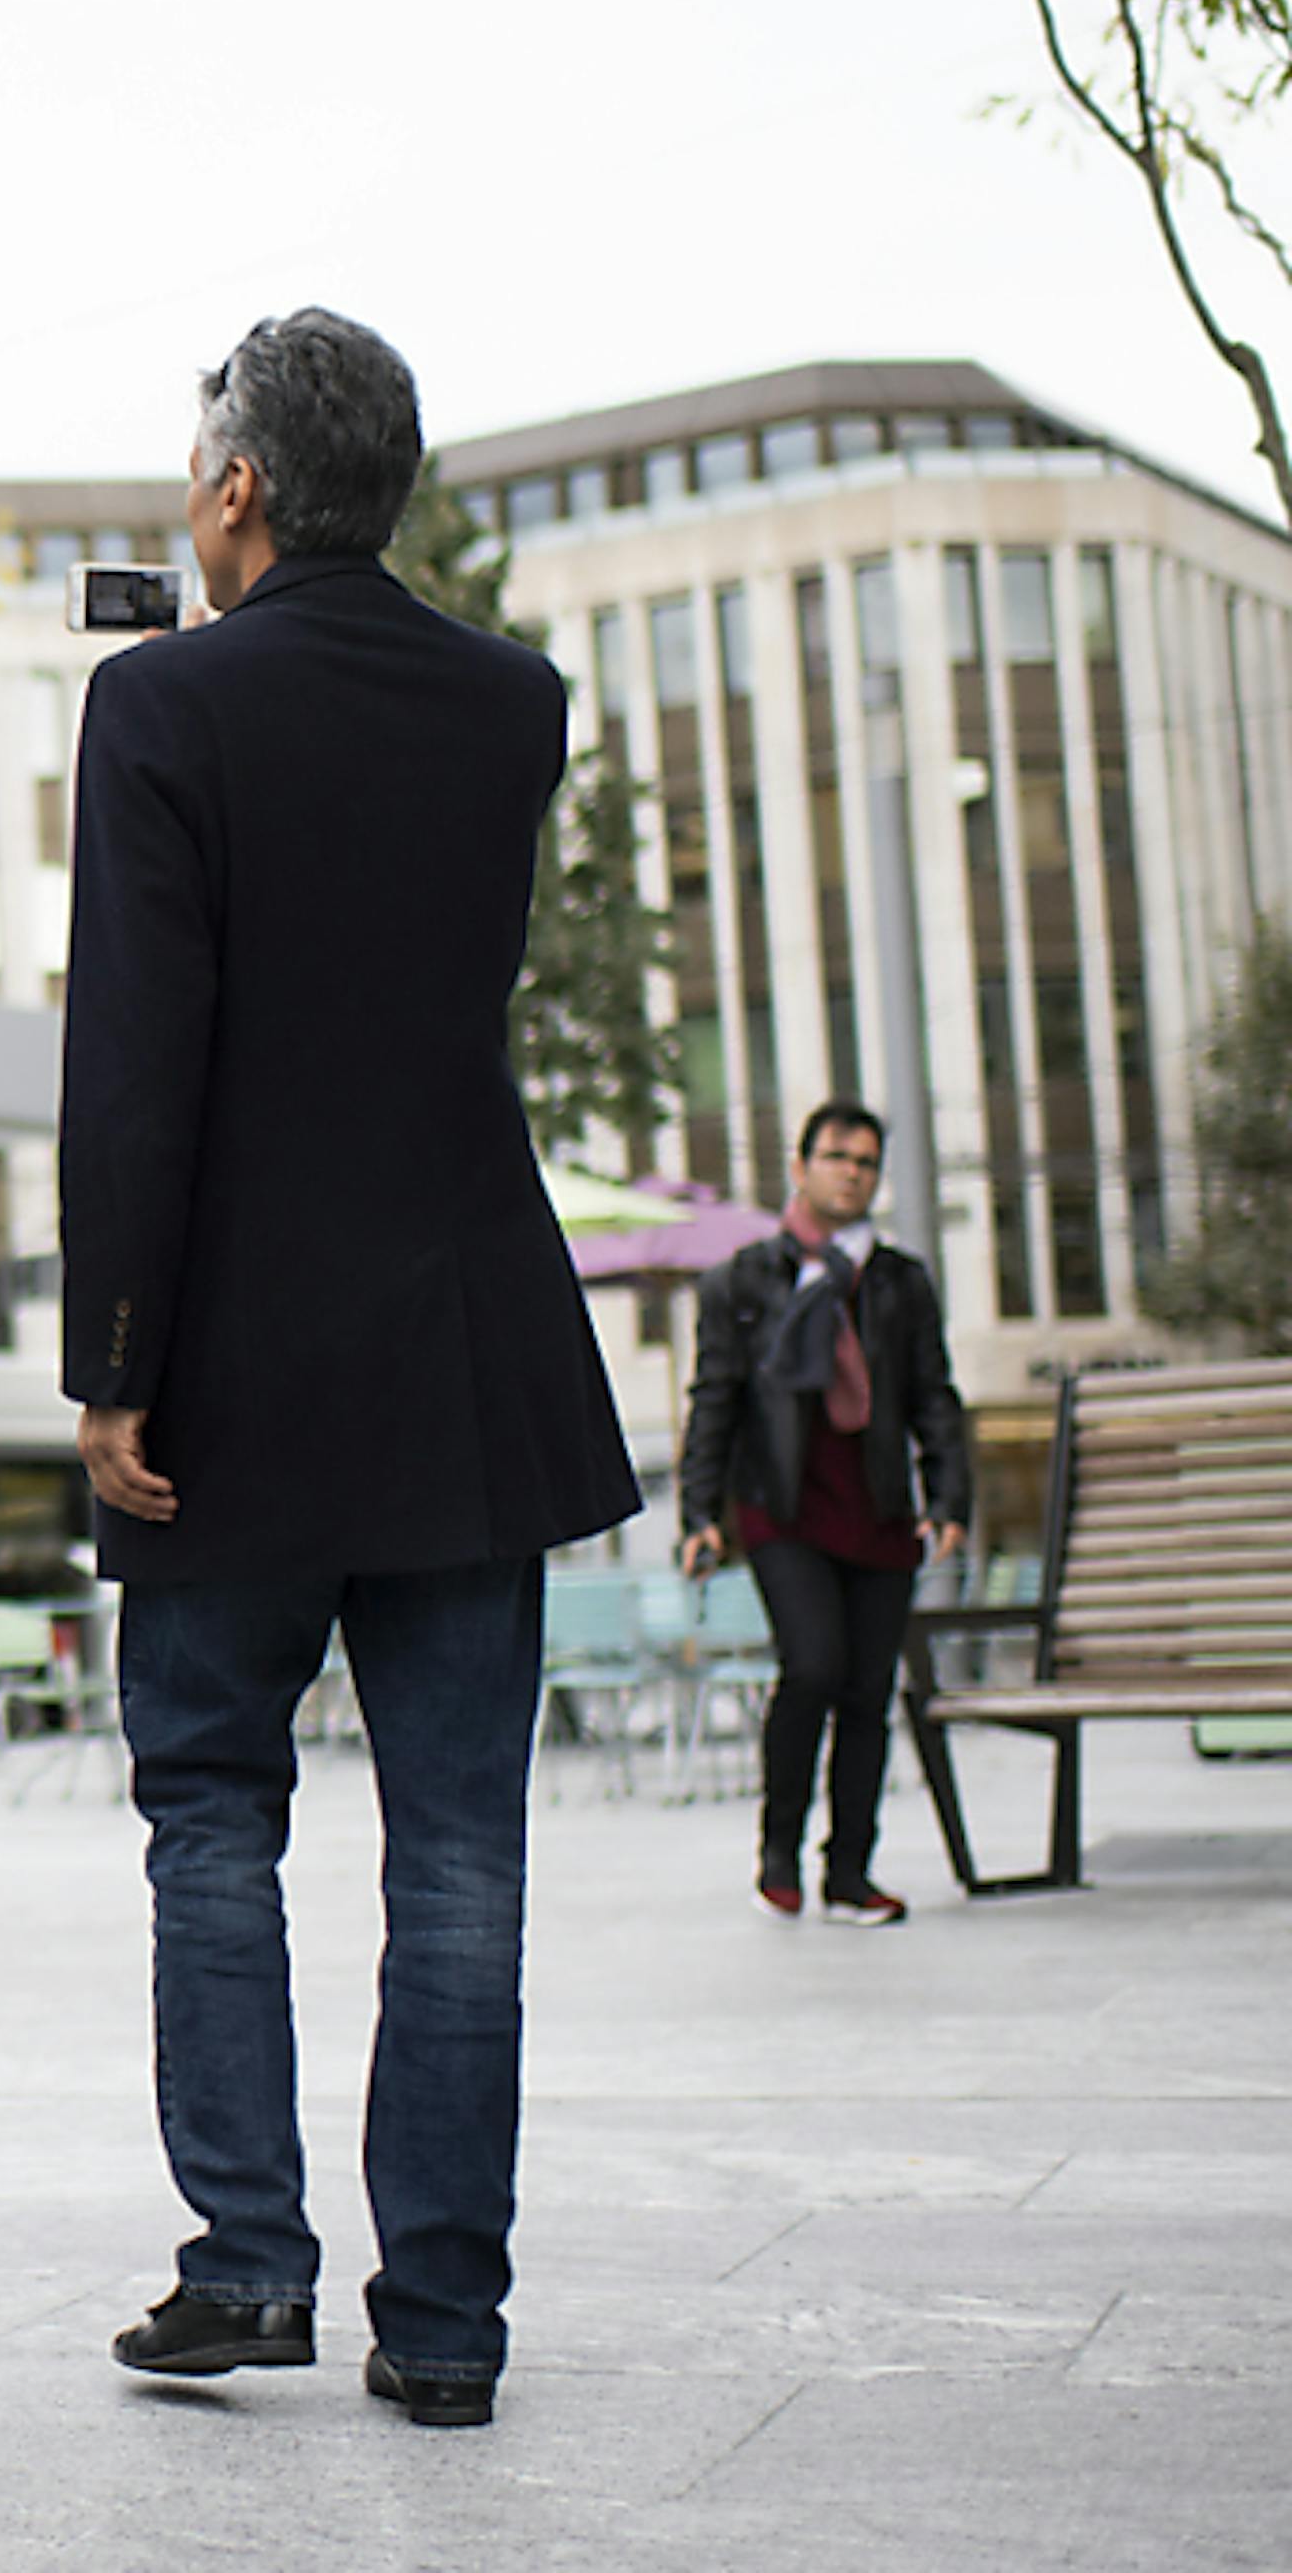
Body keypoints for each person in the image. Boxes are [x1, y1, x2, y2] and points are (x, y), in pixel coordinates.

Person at [63, 311, 639, 2431]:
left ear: (235, 489)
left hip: (233, 1361)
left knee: (212, 1813)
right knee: (463, 1851)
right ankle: (451, 2327)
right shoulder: (514, 706)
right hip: (469, 1348)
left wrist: (111, 1362)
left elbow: (136, 1062)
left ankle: (249, 2266)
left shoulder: (160, 709)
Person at [676, 1102, 970, 1927]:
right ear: (801, 1166)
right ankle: (779, 1848)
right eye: (838, 1156)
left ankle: (849, 1872)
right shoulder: (743, 1280)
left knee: (867, 1691)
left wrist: (950, 1495)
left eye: (867, 1162)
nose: (852, 1172)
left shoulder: (899, 1283)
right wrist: (700, 1511)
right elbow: (716, 1401)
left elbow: (932, 1396)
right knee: (812, 1667)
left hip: (878, 1510)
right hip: (782, 1507)